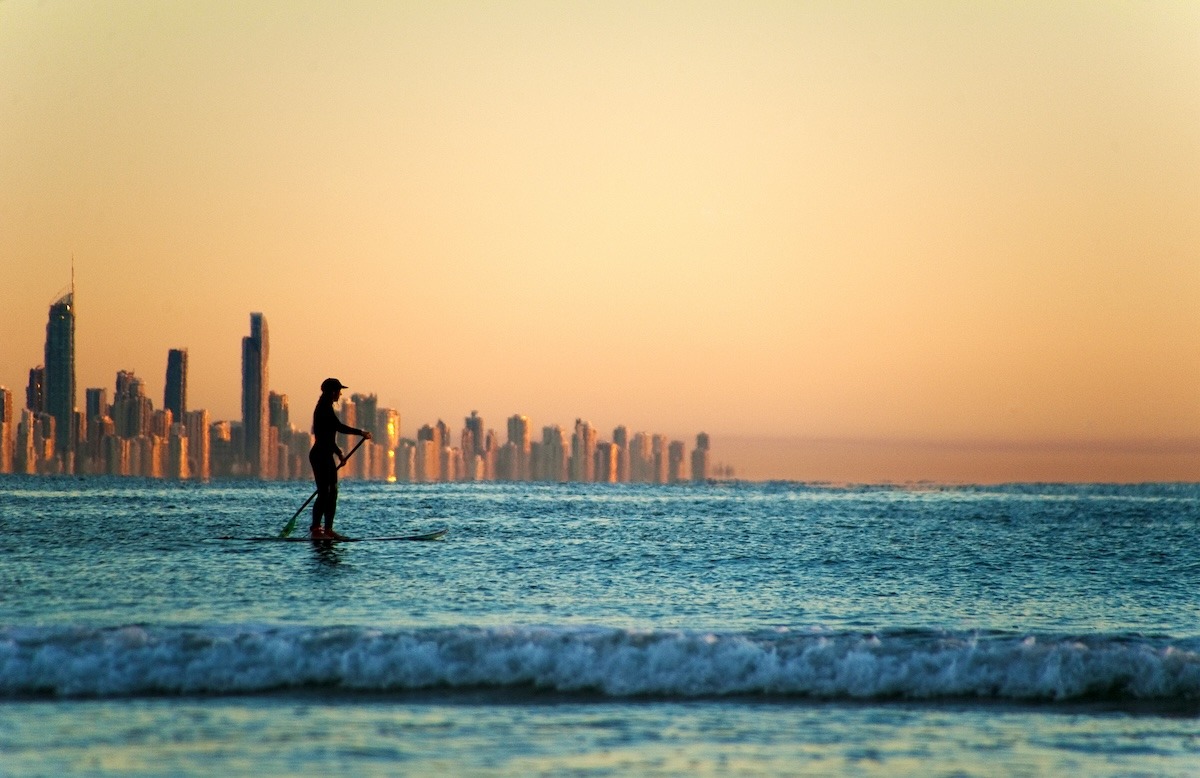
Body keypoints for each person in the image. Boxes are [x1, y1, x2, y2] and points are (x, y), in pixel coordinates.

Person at [309, 378, 371, 539]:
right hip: (319, 455)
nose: (340, 393)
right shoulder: (323, 409)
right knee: (324, 493)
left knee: (333, 492)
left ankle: (328, 530)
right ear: (332, 392)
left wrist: (339, 453)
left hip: (326, 453)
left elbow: (328, 436)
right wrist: (361, 433)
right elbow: (338, 428)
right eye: (339, 391)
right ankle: (316, 529)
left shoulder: (327, 407)